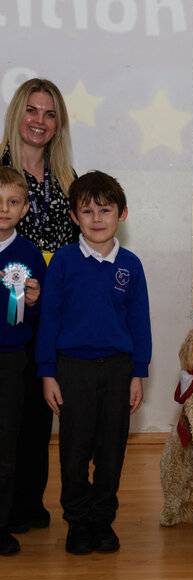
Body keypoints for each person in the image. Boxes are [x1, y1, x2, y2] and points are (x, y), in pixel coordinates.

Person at [35, 171, 152, 555]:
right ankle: (77, 521)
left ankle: (103, 519)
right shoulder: (64, 262)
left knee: (111, 450)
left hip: (118, 369)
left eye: (105, 209)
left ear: (122, 214)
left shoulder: (130, 266)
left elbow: (139, 321)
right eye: (88, 211)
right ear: (73, 217)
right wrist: (48, 372)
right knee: (74, 449)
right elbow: (50, 317)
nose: (97, 218)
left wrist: (138, 372)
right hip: (72, 369)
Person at [1, 78, 78, 532]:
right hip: (6, 324)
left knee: (35, 417)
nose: (40, 121)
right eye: (32, 110)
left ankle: (27, 504)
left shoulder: (69, 182)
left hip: (51, 320)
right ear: (17, 114)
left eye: (50, 114)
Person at [0, 166, 46, 555]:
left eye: (13, 202)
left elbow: (39, 315)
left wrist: (32, 304)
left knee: (6, 445)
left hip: (12, 360)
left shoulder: (30, 255)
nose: (4, 209)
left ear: (25, 208)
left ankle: (1, 523)